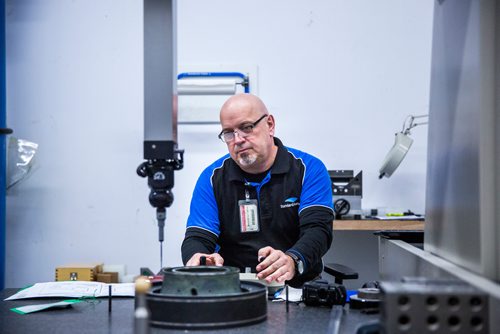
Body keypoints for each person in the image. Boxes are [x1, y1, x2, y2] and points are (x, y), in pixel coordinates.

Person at [181, 93, 334, 287]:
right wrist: (198, 257)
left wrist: (292, 261)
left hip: (297, 288)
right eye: (229, 133)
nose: (238, 140)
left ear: (270, 124)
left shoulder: (308, 169)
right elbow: (198, 237)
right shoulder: (211, 178)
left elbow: (318, 231)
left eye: (246, 128)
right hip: (234, 289)